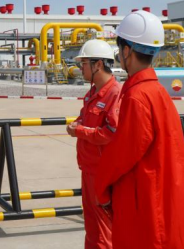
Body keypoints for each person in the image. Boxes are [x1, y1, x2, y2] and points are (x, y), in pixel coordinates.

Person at [94, 10, 184, 248]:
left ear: (127, 51)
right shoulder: (158, 92)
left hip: (147, 204)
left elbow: (123, 153)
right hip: (167, 198)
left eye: (119, 49)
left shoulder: (137, 97)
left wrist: (100, 186)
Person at [66, 39, 119, 249]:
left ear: (98, 64)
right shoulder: (92, 93)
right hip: (88, 170)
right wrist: (78, 123)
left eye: (84, 63)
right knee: (92, 227)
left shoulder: (115, 93)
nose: (80, 68)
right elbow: (84, 117)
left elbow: (111, 133)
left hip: (103, 173)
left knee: (104, 232)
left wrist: (79, 131)